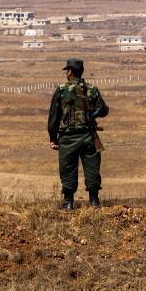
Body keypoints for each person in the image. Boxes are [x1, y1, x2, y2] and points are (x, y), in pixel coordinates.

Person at [47, 58, 109, 210]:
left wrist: (53, 138)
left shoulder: (61, 90)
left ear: (69, 72)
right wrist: (91, 115)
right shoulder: (91, 89)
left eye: (67, 71)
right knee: (92, 168)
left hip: (67, 138)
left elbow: (53, 117)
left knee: (67, 169)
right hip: (89, 137)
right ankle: (94, 202)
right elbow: (104, 110)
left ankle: (68, 203)